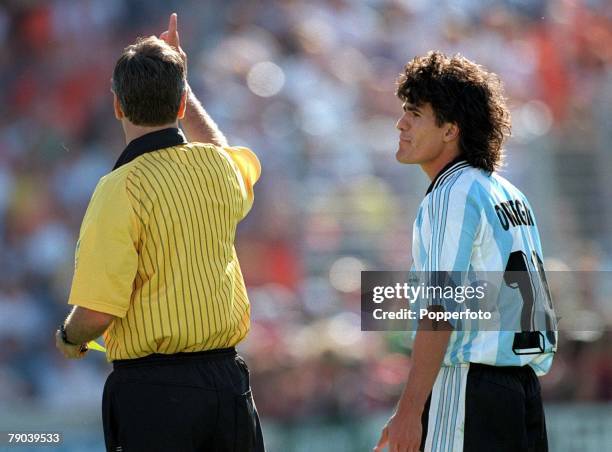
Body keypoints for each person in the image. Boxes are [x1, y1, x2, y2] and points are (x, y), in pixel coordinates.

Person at [55, 13, 265, 452]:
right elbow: (221, 149)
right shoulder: (219, 168)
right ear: (182, 106)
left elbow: (96, 315)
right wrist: (181, 83)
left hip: (153, 395)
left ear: (118, 106)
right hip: (228, 385)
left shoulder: (119, 188)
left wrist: (68, 338)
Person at [374, 51, 556, 452]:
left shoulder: (451, 194)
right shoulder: (508, 192)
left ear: (450, 129)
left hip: (470, 388)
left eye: (415, 113)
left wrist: (408, 411)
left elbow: (440, 309)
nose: (400, 123)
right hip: (523, 391)